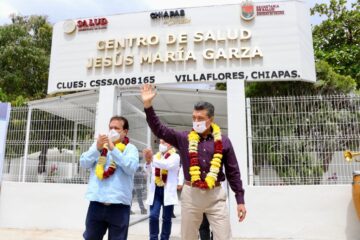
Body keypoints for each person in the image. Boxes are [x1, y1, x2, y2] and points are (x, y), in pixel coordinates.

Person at [141, 84, 246, 240]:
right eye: (194, 118)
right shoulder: (183, 138)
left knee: (224, 236)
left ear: (211, 119)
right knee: (188, 237)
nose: (196, 121)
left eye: (201, 118)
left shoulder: (223, 141)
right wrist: (148, 105)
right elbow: (159, 130)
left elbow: (233, 172)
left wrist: (240, 200)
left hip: (216, 195)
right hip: (191, 194)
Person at [80, 116, 139, 240]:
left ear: (125, 131)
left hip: (119, 205)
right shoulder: (99, 146)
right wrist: (97, 148)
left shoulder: (130, 149)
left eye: (116, 128)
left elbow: (131, 168)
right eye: (110, 127)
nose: (112, 130)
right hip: (97, 203)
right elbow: (84, 163)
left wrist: (113, 149)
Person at [143, 139, 180, 240]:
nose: (161, 144)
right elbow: (149, 171)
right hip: (156, 191)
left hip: (167, 190)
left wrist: (151, 160)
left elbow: (167, 165)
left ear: (170, 144)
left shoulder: (175, 156)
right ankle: (153, 238)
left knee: (167, 218)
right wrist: (147, 162)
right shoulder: (156, 156)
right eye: (160, 142)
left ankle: (164, 238)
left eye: (164, 142)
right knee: (153, 216)